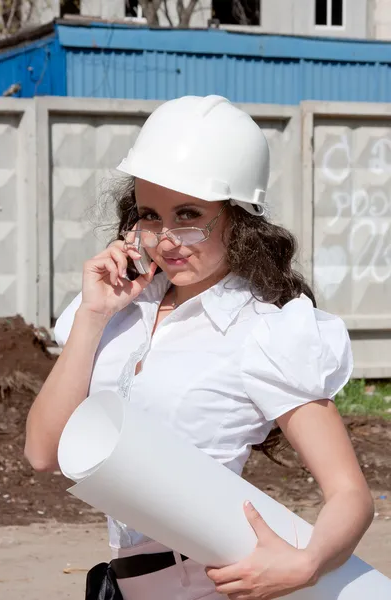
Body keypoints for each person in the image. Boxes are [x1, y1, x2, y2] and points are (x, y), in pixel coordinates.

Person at [25, 95, 374, 600]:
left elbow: (351, 495)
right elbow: (43, 452)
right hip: (123, 587)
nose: (167, 240)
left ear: (238, 218)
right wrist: (93, 318)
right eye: (150, 215)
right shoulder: (120, 312)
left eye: (188, 214)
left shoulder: (266, 332)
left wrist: (307, 565)